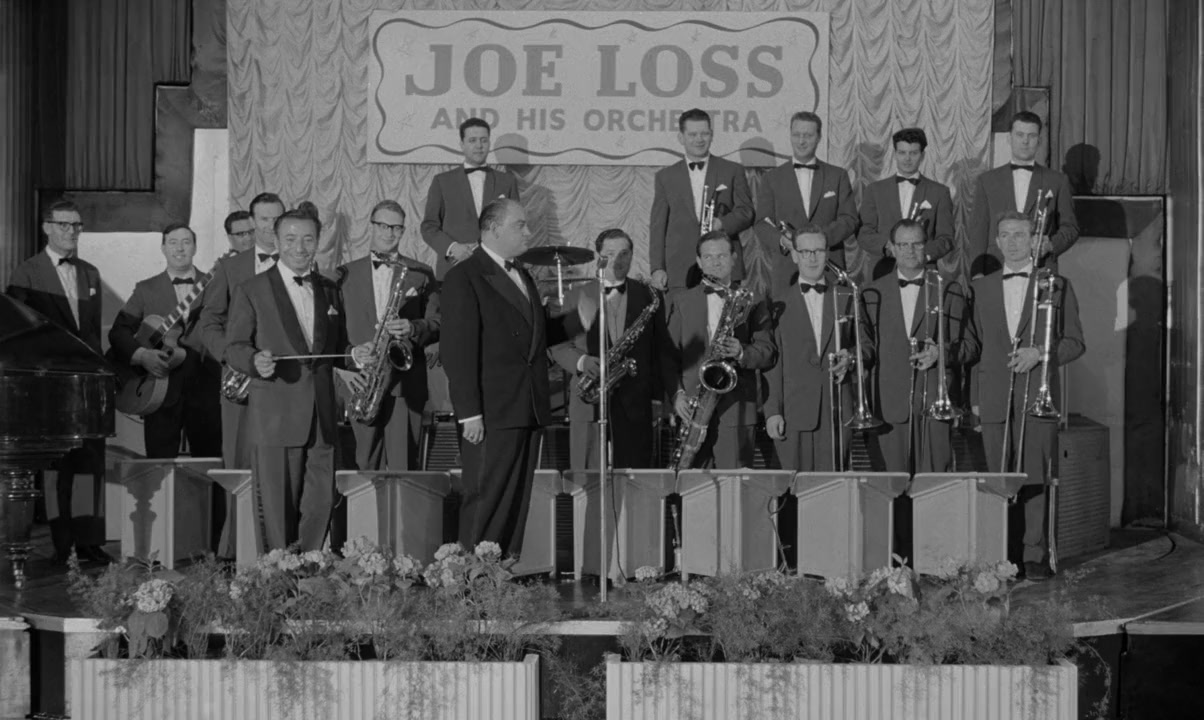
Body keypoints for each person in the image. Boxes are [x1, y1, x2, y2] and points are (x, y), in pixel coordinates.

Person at [224, 208, 381, 551]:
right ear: (276, 240)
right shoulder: (251, 289)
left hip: (322, 418)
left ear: (318, 241)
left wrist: (355, 355)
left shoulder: (330, 289)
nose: (300, 247)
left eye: (308, 239)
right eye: (291, 239)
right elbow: (234, 347)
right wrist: (254, 361)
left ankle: (309, 567)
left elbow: (336, 348)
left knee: (321, 502)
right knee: (276, 509)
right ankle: (278, 574)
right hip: (275, 417)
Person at [965, 211, 1085, 579]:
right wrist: (974, 398)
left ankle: (1034, 555)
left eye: (1020, 234)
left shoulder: (1057, 284)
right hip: (993, 394)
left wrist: (1041, 353)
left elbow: (1075, 342)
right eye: (1006, 235)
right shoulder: (981, 288)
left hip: (1037, 394)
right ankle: (1001, 554)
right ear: (997, 241)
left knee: (1035, 476)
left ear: (1034, 240)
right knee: (998, 478)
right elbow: (974, 347)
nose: (1013, 241)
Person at [441, 199, 560, 555]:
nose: (528, 232)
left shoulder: (523, 274)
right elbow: (458, 350)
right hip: (491, 411)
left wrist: (581, 319)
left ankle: (501, 574)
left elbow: (535, 338)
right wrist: (469, 413)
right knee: (485, 498)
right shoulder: (465, 276)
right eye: (520, 225)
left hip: (527, 406)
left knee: (515, 501)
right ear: (493, 229)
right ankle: (471, 579)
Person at [5, 199, 109, 563]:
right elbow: (19, 335)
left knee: (91, 462)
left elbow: (92, 334)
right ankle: (63, 544)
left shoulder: (90, 273)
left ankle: (90, 541)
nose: (72, 232)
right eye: (64, 225)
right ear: (47, 227)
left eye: (77, 225)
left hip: (86, 384)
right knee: (56, 468)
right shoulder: (27, 272)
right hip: (49, 387)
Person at [198, 192, 284, 557]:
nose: (269, 226)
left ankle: (281, 551)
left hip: (285, 382)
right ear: (252, 222)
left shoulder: (300, 264)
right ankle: (233, 550)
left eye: (276, 219)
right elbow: (208, 322)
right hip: (241, 382)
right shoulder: (231, 268)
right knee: (239, 465)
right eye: (263, 220)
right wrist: (233, 358)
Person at [550, 229, 667, 470]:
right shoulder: (579, 295)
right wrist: (582, 362)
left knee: (636, 477)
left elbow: (660, 351)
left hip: (635, 401)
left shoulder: (648, 295)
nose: (617, 260)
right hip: (589, 398)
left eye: (624, 253)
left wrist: (657, 397)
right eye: (610, 253)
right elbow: (558, 346)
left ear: (632, 255)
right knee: (587, 478)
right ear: (599, 257)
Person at [339, 200, 440, 471]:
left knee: (404, 468)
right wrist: (348, 361)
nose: (389, 233)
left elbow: (438, 322)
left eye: (396, 227)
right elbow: (333, 332)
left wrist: (413, 327)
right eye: (383, 225)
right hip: (363, 382)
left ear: (403, 230)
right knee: (364, 466)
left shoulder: (421, 273)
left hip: (405, 384)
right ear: (371, 226)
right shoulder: (344, 274)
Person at [108, 223, 222, 459]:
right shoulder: (146, 289)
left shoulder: (216, 284)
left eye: (186, 242)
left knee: (209, 463)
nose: (180, 249)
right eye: (173, 242)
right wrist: (142, 356)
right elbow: (119, 332)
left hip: (206, 389)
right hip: (159, 390)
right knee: (159, 466)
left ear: (195, 247)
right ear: (163, 248)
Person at [764, 224, 871, 471]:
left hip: (838, 410)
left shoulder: (848, 297)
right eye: (805, 252)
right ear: (794, 255)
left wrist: (851, 357)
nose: (812, 258)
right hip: (792, 413)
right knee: (793, 488)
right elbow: (772, 364)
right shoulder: (776, 303)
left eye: (818, 251)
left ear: (827, 253)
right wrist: (772, 412)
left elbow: (866, 347)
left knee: (833, 486)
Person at [666, 231, 775, 469]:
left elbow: (768, 351)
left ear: (734, 258)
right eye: (708, 257)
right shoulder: (681, 301)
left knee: (735, 485)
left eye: (722, 256)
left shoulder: (753, 299)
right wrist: (677, 395)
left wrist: (742, 352)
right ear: (699, 261)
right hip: (692, 407)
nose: (715, 262)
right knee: (692, 484)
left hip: (737, 408)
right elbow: (668, 356)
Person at [649, 108, 754, 293]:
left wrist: (722, 224)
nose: (699, 139)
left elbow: (747, 212)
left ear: (711, 135)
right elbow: (658, 227)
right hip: (679, 269)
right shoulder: (665, 177)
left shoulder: (732, 170)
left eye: (704, 133)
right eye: (693, 134)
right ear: (681, 137)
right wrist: (657, 268)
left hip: (724, 266)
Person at [755, 111, 858, 292]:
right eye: (797, 135)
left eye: (808, 135)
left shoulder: (837, 175)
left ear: (819, 137)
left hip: (829, 265)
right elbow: (761, 223)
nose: (801, 141)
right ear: (790, 136)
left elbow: (849, 219)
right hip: (787, 269)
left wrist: (819, 240)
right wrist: (782, 241)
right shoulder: (771, 178)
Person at [968, 111, 1079, 277]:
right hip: (995, 268)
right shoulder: (987, 181)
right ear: (1009, 138)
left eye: (1031, 136)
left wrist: (1050, 245)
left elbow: (1071, 228)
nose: (1025, 141)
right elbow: (978, 232)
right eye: (1020, 135)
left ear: (1039, 140)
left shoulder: (1057, 181)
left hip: (1040, 269)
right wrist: (977, 273)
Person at [421, 118, 521, 280]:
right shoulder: (442, 181)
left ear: (489, 143)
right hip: (455, 269)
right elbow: (429, 227)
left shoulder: (507, 182)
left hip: (497, 271)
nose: (479, 145)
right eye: (472, 140)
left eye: (483, 140)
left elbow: (516, 226)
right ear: (462, 144)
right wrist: (452, 247)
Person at [857, 128, 956, 280]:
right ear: (894, 154)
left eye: (913, 153)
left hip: (923, 270)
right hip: (883, 270)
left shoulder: (939, 192)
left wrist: (921, 253)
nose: (907, 159)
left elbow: (946, 238)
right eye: (902, 153)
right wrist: (888, 246)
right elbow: (864, 233)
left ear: (922, 155)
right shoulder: (874, 190)